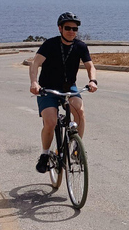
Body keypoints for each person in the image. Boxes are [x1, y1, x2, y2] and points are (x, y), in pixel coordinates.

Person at [29, 12, 98, 173]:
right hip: (47, 88)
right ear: (60, 28)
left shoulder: (80, 46)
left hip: (69, 87)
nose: (72, 31)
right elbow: (35, 64)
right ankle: (45, 154)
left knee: (80, 111)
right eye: (68, 28)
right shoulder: (50, 45)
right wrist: (34, 83)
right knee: (51, 122)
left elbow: (90, 66)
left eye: (75, 29)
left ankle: (75, 148)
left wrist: (92, 80)